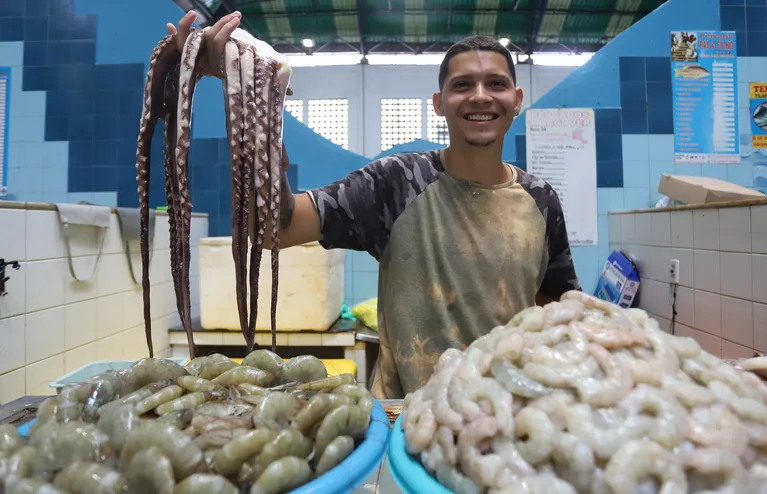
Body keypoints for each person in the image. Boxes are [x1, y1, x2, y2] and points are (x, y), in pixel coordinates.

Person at [166, 11, 582, 399]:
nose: (480, 96)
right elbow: (278, 228)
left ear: (517, 99)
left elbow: (560, 311)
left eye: (495, 84)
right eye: (461, 85)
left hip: (509, 418)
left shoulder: (540, 199)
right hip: (407, 418)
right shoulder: (396, 183)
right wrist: (246, 94)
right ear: (439, 104)